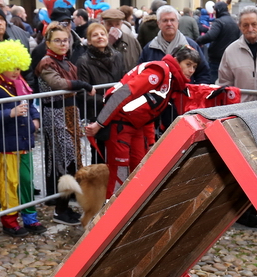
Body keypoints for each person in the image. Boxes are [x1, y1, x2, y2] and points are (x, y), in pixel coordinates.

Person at [84, 45, 198, 197]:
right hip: (120, 123)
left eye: (194, 66)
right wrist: (99, 124)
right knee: (120, 172)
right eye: (188, 64)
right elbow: (123, 94)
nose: (191, 70)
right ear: (177, 61)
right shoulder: (159, 72)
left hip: (136, 126)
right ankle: (113, 212)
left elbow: (149, 113)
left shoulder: (170, 79)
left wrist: (150, 143)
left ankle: (131, 210)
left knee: (139, 168)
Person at [0, 40, 43, 237]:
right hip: (5, 144)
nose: (15, 71)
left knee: (25, 180)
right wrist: (10, 113)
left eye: (18, 67)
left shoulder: (20, 83)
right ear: (1, 65)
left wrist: (36, 119)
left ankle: (30, 216)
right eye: (11, 67)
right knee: (9, 183)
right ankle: (9, 220)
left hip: (24, 142)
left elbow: (30, 105)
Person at [36, 22, 93, 224]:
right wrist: (82, 85)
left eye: (65, 40)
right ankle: (60, 209)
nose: (63, 44)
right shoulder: (46, 63)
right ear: (49, 43)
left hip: (71, 112)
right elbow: (58, 84)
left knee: (74, 160)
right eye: (58, 40)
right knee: (63, 161)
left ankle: (65, 206)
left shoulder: (68, 63)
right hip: (55, 114)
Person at [75, 21, 128, 166]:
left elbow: (124, 80)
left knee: (118, 153)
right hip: (97, 113)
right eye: (95, 35)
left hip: (118, 112)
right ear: (89, 40)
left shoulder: (117, 56)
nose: (100, 37)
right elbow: (82, 92)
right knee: (100, 156)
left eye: (102, 34)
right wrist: (106, 100)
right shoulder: (84, 61)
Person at [139, 6, 210, 83]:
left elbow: (203, 74)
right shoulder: (150, 48)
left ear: (178, 22)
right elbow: (141, 75)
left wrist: (194, 92)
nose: (169, 24)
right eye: (165, 20)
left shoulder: (191, 45)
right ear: (158, 23)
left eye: (172, 20)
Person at [197, 0, 239, 82]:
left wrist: (198, 41)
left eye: (215, 10)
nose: (214, 12)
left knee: (214, 82)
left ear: (218, 11)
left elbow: (210, 35)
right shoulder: (234, 22)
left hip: (217, 58)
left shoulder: (219, 22)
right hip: (230, 58)